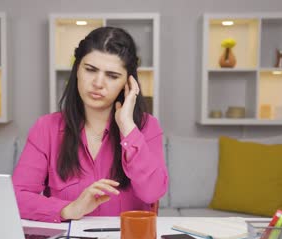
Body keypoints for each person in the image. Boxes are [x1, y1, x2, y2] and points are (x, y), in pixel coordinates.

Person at [12, 27, 168, 223]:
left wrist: (127, 127)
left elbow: (152, 193)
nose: (98, 83)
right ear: (77, 69)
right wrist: (68, 209)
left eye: (112, 75)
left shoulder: (147, 127)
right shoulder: (46, 128)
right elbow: (17, 197)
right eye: (90, 70)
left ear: (127, 83)